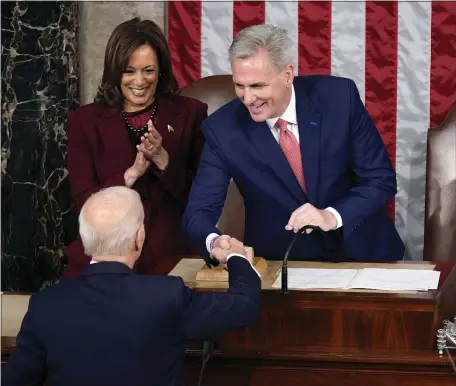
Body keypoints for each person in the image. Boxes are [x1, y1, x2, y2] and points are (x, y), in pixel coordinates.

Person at [182, 24, 405, 264]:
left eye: (258, 86)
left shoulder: (339, 98)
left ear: (287, 75)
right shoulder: (222, 129)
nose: (247, 98)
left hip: (363, 253)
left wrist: (332, 216)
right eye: (239, 86)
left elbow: (380, 179)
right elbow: (198, 213)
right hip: (282, 263)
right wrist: (215, 243)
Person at [3, 186, 261, 386]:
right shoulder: (166, 296)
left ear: (85, 241)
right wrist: (235, 257)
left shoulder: (45, 305)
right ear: (140, 238)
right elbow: (245, 305)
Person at [62, 17, 208, 279]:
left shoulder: (190, 114)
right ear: (114, 71)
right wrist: (131, 174)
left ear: (161, 69)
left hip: (172, 253)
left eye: (148, 70)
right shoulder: (84, 122)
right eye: (129, 71)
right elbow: (83, 205)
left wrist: (164, 161)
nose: (139, 81)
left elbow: (203, 199)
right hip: (105, 253)